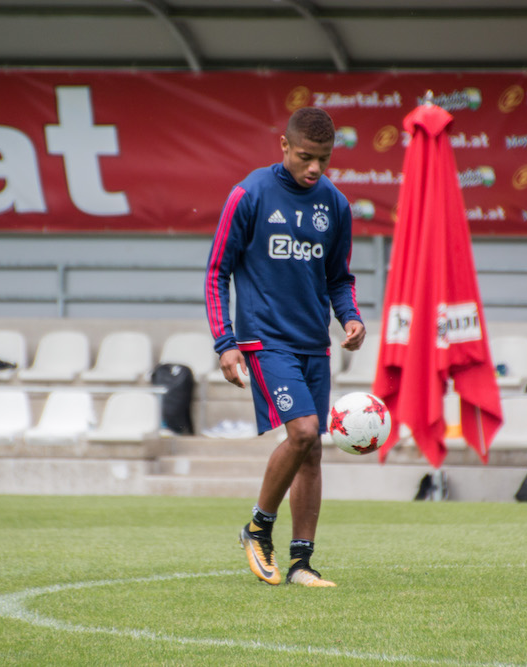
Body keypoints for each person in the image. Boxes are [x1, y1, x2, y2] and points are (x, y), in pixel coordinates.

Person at [205, 107, 365, 587]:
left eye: (324, 158)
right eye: (305, 156)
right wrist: (225, 342)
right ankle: (257, 528)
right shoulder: (250, 193)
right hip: (265, 340)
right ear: (283, 146)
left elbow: (338, 278)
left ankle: (301, 563)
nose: (314, 167)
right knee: (302, 432)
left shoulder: (334, 204)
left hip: (314, 344)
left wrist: (351, 317)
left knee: (312, 449)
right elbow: (217, 272)